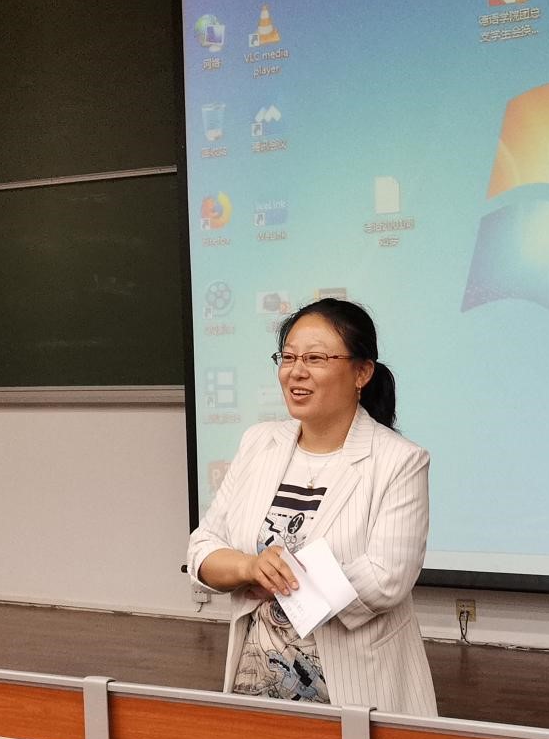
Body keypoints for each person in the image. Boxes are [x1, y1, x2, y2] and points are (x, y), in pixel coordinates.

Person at [187, 298, 436, 716]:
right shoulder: (259, 442)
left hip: (353, 692)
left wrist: (280, 580)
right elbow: (202, 548)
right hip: (256, 685)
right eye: (288, 357)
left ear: (362, 372)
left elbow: (387, 577)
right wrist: (250, 567)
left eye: (315, 358)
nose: (296, 371)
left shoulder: (400, 460)